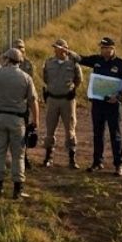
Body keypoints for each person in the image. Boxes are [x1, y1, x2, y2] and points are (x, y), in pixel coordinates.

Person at [69, 36, 122, 176]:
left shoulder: (120, 63)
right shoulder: (96, 60)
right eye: (102, 48)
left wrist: (119, 96)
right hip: (98, 103)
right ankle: (97, 162)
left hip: (112, 105)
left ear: (112, 49)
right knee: (98, 133)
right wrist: (68, 52)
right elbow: (81, 58)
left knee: (115, 134)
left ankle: (118, 164)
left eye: (106, 48)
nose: (103, 50)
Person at [0, 48, 38, 198]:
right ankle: (18, 189)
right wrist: (35, 121)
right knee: (18, 155)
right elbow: (33, 101)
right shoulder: (26, 78)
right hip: (17, 120)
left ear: (7, 59)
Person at [40, 38, 83, 168]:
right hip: (52, 99)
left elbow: (78, 79)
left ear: (66, 49)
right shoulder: (49, 63)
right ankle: (48, 156)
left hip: (67, 100)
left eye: (60, 48)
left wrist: (72, 89)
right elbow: (45, 78)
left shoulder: (72, 64)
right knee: (50, 129)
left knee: (70, 129)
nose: (57, 50)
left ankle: (71, 157)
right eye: (56, 48)